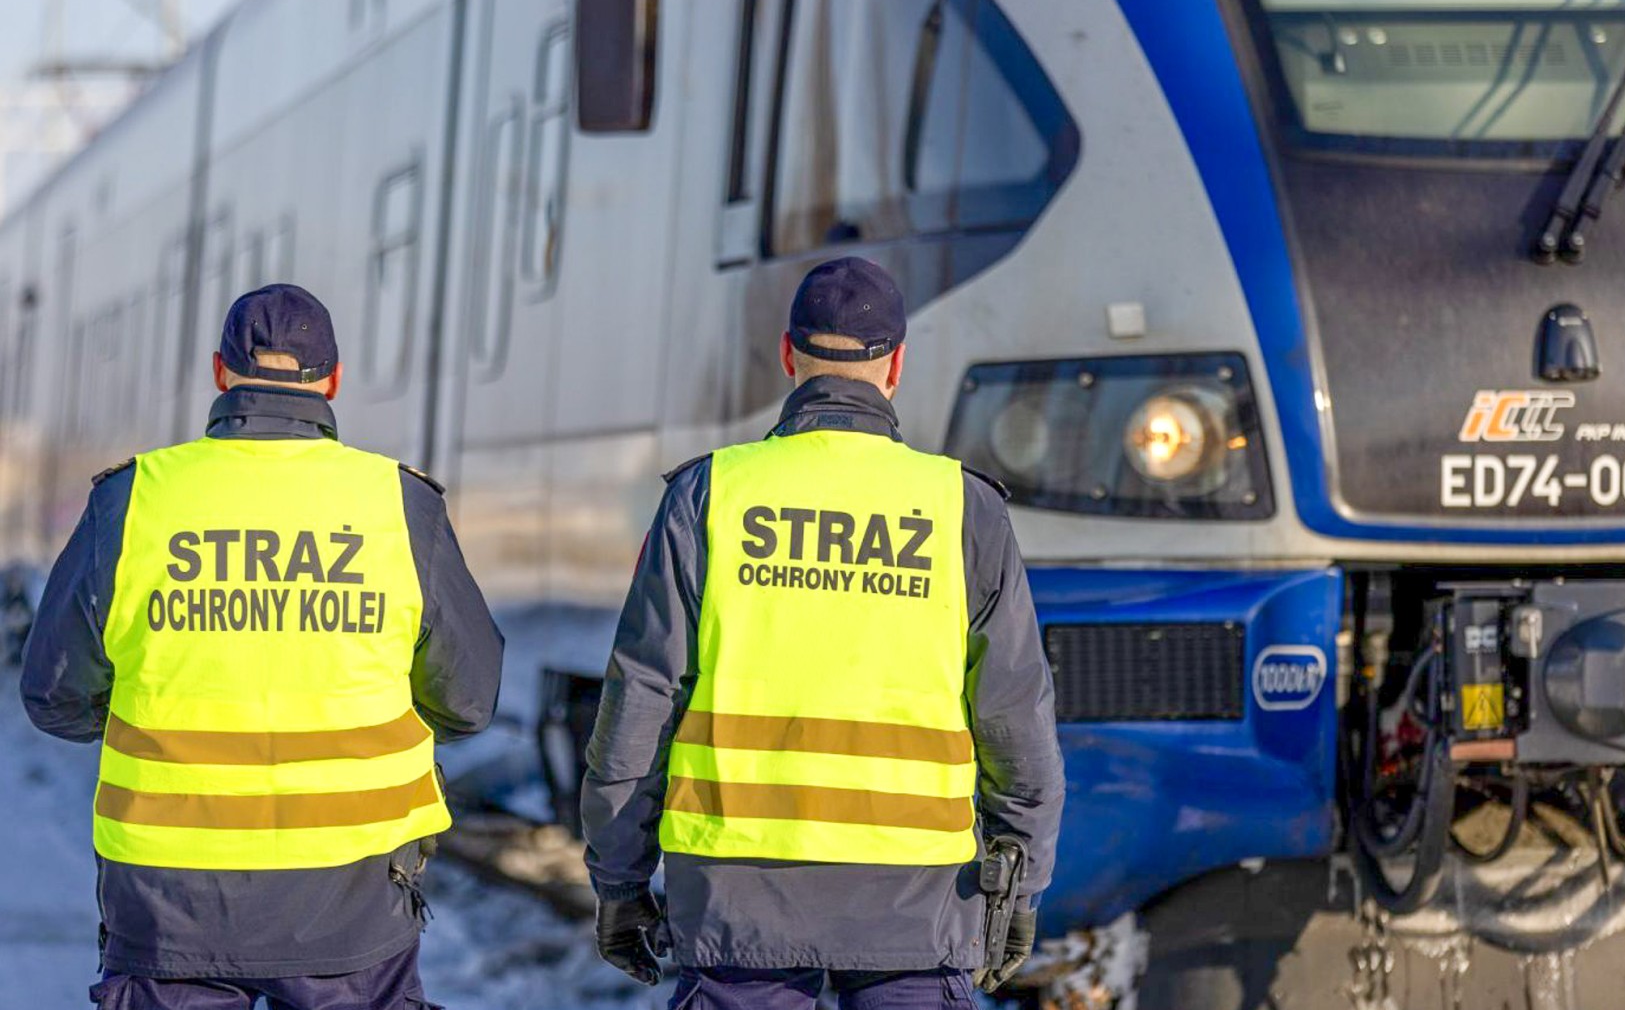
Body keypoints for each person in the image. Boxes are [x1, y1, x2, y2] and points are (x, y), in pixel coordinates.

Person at [582, 257, 1066, 1009]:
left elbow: (641, 700)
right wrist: (1023, 885)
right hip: (917, 900)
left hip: (739, 896)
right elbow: (1017, 717)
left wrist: (619, 877)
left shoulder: (711, 495)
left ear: (788, 357)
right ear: (897, 364)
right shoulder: (962, 510)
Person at [20, 284, 504, 1010]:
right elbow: (468, 701)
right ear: (333, 381)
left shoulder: (134, 499)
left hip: (167, 902)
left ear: (221, 372)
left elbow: (53, 696)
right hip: (352, 905)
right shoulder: (398, 505)